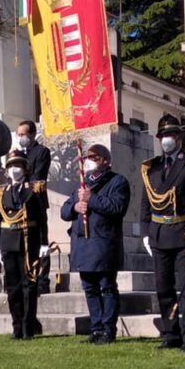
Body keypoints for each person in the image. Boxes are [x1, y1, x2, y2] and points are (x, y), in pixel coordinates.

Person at [140, 114, 185, 352]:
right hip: (160, 232)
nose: (166, 139)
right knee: (163, 287)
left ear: (179, 136)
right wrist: (145, 232)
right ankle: (170, 334)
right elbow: (145, 204)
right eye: (163, 136)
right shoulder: (151, 168)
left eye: (170, 135)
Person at [60, 144, 130, 344]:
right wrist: (75, 206)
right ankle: (96, 328)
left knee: (106, 287)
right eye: (87, 157)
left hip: (104, 243)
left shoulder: (117, 182)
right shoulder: (82, 185)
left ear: (105, 160)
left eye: (94, 157)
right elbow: (64, 212)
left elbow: (117, 207)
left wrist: (92, 199)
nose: (89, 160)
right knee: (89, 288)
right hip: (83, 244)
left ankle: (109, 329)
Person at [0, 150, 49, 340]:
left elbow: (42, 218)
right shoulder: (1, 193)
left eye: (17, 166)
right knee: (13, 288)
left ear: (25, 169)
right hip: (8, 242)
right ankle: (17, 327)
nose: (14, 170)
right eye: (10, 166)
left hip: (28, 241)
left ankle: (28, 328)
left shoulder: (35, 190)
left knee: (29, 286)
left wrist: (44, 243)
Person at [16, 120, 52, 294]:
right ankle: (25, 277)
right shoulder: (17, 154)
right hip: (19, 203)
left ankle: (43, 281)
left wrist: (23, 184)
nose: (20, 138)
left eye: (23, 134)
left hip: (36, 201)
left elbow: (38, 176)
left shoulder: (42, 152)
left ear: (31, 134)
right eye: (19, 135)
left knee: (40, 240)